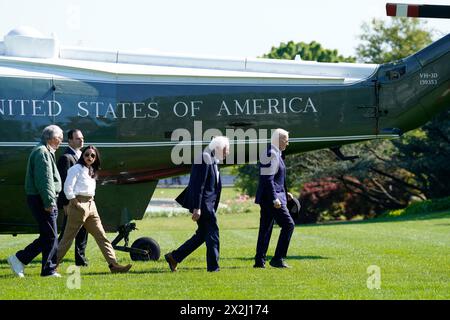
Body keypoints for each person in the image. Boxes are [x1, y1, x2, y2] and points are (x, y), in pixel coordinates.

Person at [57, 145, 132, 273]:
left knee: (102, 236)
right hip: (78, 204)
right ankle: (51, 265)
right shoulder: (76, 168)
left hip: (91, 205)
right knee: (67, 239)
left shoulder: (92, 170)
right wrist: (74, 202)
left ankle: (114, 265)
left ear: (96, 158)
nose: (89, 157)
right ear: (82, 156)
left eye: (93, 155)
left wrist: (89, 204)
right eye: (87, 155)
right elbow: (67, 187)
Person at [165, 136, 230, 272]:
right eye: (226, 149)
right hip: (203, 206)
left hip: (208, 205)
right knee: (213, 235)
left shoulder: (212, 159)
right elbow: (197, 185)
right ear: (218, 147)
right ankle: (213, 268)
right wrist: (197, 208)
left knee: (202, 236)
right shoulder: (204, 157)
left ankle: (174, 257)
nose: (227, 153)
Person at [7, 125, 64, 277]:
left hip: (42, 199)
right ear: (51, 138)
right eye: (60, 139)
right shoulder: (42, 152)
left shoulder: (43, 150)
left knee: (47, 235)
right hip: (43, 200)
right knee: (51, 236)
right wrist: (49, 202)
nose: (60, 142)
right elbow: (44, 181)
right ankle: (48, 270)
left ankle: (19, 259)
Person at [254, 128, 295, 269]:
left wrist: (285, 192)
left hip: (273, 196)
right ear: (278, 139)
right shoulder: (271, 154)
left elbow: (278, 178)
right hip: (271, 199)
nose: (287, 143)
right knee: (289, 225)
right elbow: (268, 179)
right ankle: (278, 259)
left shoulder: (276, 153)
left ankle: (259, 261)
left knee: (265, 229)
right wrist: (274, 199)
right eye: (286, 140)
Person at [57, 129, 89, 267]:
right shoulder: (66, 158)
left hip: (82, 201)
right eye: (77, 138)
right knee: (66, 235)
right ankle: (53, 258)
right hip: (71, 202)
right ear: (69, 140)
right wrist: (65, 203)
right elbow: (63, 182)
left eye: (82, 138)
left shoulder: (83, 155)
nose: (81, 140)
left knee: (83, 230)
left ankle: (80, 260)